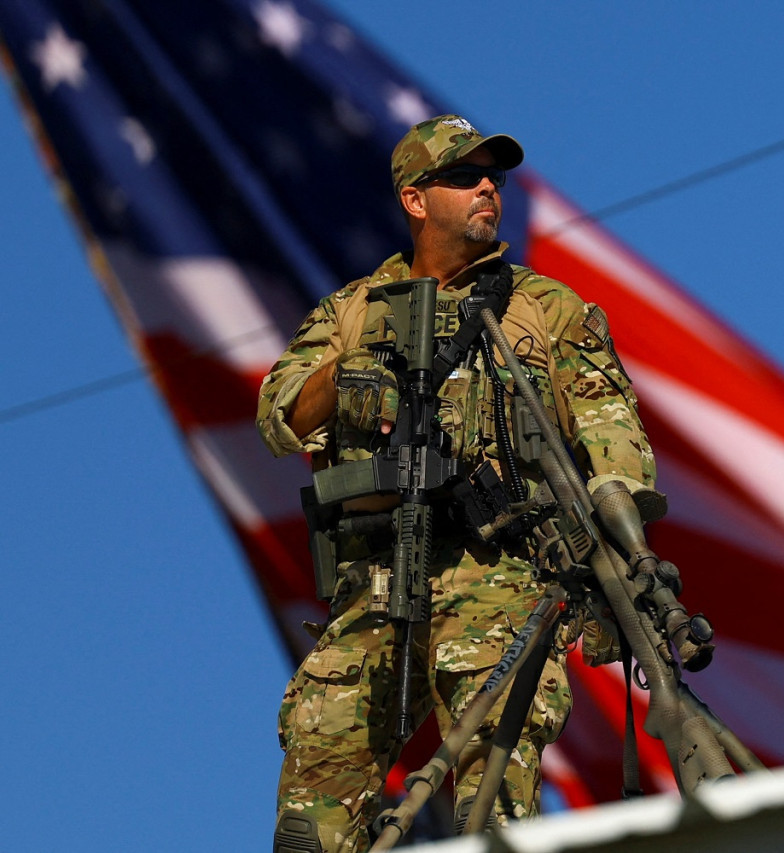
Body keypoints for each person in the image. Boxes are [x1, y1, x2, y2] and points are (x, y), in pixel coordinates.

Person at [257, 114, 656, 853]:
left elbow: (611, 431)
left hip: (498, 576)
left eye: (493, 178)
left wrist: (621, 518)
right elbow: (278, 412)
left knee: (492, 796)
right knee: (318, 773)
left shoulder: (544, 309)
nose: (487, 190)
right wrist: (347, 379)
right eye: (464, 176)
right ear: (416, 199)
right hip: (376, 578)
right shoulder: (353, 311)